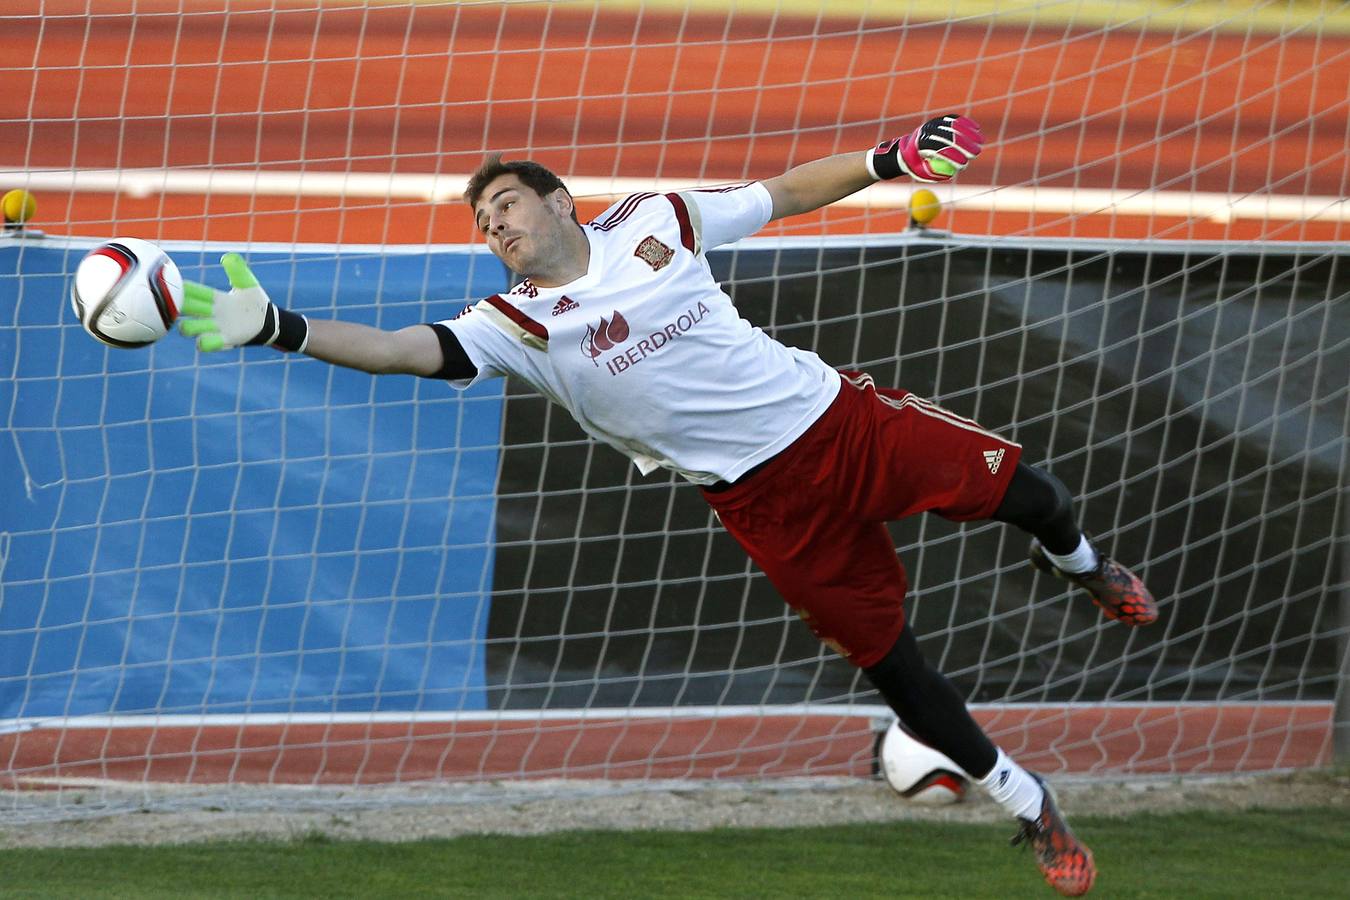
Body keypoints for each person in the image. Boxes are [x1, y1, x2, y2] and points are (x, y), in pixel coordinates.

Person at [178, 114, 1156, 897]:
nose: (496, 228)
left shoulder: (659, 220)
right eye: (484, 224)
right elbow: (402, 349)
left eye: (508, 206)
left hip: (840, 423)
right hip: (763, 506)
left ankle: (1081, 567)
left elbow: (785, 195)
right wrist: (279, 327)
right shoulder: (511, 323)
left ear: (560, 202)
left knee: (1033, 494)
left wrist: (885, 158)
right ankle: (1030, 804)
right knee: (897, 669)